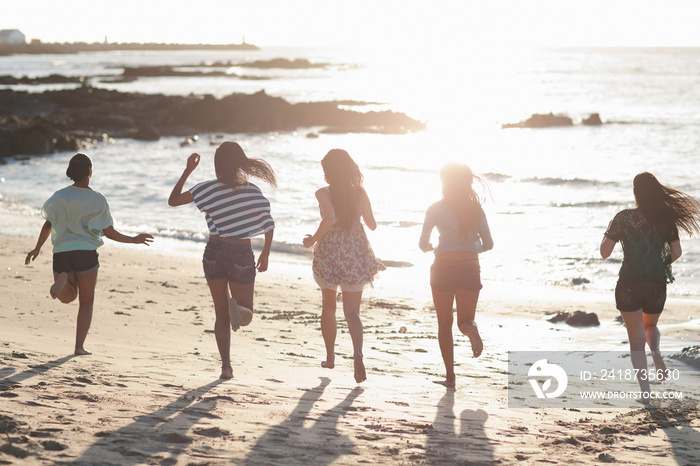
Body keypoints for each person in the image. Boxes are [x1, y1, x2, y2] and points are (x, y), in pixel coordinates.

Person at [25, 153, 154, 355]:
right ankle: (78, 347)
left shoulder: (58, 196)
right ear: (90, 173)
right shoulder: (97, 199)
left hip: (61, 252)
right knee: (86, 301)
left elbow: (49, 223)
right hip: (85, 252)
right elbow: (109, 232)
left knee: (67, 297)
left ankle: (64, 281)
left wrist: (37, 248)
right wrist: (133, 239)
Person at [168, 141, 276, 379]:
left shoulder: (206, 189)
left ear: (217, 165)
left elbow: (173, 200)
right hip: (240, 253)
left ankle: (226, 367)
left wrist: (188, 171)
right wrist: (265, 253)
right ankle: (238, 309)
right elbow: (269, 224)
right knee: (245, 314)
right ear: (240, 162)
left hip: (214, 251)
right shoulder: (251, 191)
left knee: (220, 315)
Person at [600, 172, 700, 403]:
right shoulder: (665, 220)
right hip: (656, 285)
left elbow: (605, 253)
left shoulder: (623, 218)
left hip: (629, 284)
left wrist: (608, 232)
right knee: (650, 326)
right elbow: (676, 253)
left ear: (635, 192)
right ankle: (655, 351)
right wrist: (656, 265)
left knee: (635, 340)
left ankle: (645, 392)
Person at [303, 149, 385, 383]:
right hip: (355, 251)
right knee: (352, 312)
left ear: (328, 171)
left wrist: (311, 240)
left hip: (329, 251)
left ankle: (330, 357)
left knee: (329, 307)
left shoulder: (323, 193)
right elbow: (372, 225)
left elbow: (329, 219)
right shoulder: (360, 192)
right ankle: (357, 354)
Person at [419, 163, 493, 388]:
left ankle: (450, 377)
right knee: (464, 321)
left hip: (443, 267)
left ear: (444, 182)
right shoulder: (476, 210)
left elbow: (422, 244)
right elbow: (489, 244)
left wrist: (433, 247)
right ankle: (472, 330)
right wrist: (471, 247)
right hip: (470, 268)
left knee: (444, 323)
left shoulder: (434, 208)